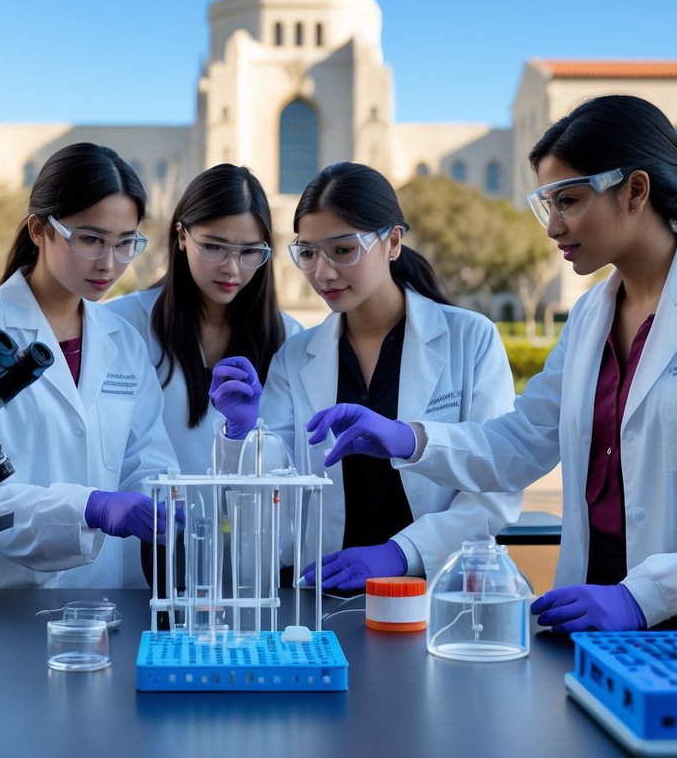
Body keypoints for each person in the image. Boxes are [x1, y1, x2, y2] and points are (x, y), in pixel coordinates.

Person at [310, 95, 677, 631]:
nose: (552, 228)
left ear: (635, 190)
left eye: (567, 201)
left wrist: (644, 597)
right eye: (547, 205)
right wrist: (409, 439)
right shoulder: (592, 315)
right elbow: (523, 442)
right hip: (588, 613)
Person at [210, 162, 521, 591]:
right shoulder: (296, 357)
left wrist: (401, 553)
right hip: (325, 592)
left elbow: (495, 483)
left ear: (392, 241)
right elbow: (273, 496)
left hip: (435, 589)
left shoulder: (469, 339)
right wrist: (244, 434)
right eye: (308, 253)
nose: (323, 273)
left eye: (342, 250)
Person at [0, 142, 177, 589]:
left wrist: (158, 499)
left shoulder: (121, 341)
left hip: (104, 596)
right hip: (2, 597)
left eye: (125, 243)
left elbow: (146, 456)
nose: (109, 263)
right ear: (38, 230)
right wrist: (87, 508)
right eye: (90, 239)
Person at [106, 163, 301, 474]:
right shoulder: (120, 324)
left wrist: (243, 437)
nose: (232, 269)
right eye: (213, 246)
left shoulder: (289, 339)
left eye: (249, 251)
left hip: (248, 520)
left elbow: (290, 469)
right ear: (182, 236)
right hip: (151, 520)